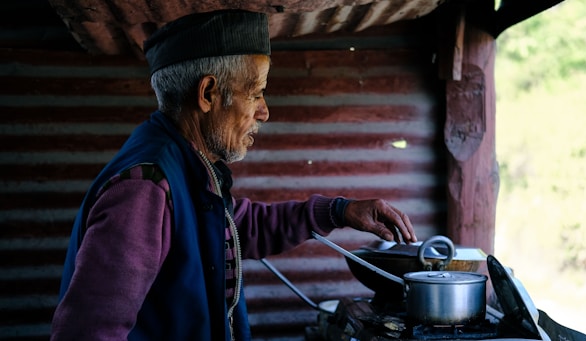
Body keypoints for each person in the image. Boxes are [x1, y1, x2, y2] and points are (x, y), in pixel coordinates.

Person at [50, 9, 416, 341]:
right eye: (256, 93)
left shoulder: (187, 163)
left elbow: (237, 228)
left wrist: (339, 211)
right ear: (209, 93)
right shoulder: (146, 188)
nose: (264, 112)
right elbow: (87, 334)